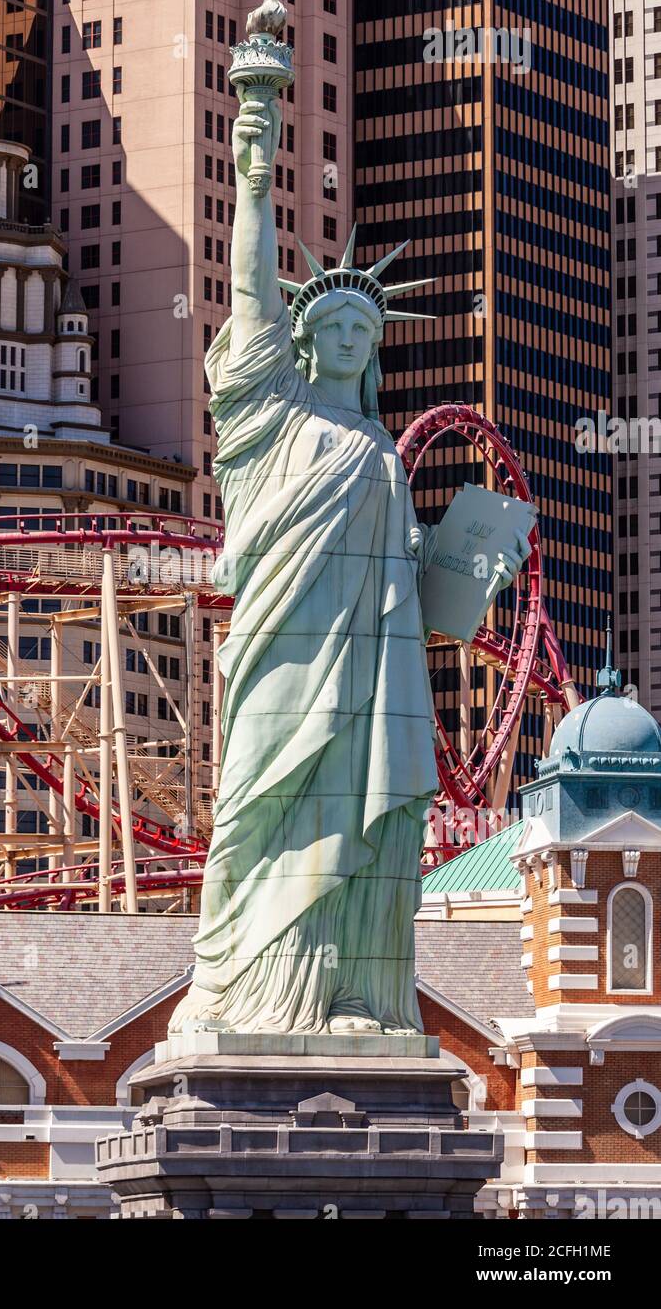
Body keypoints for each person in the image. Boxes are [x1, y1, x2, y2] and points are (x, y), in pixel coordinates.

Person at [169, 92, 528, 1035]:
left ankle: (356, 998)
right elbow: (250, 289)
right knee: (258, 813)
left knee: (375, 833)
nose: (348, 336)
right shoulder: (270, 417)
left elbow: (405, 566)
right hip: (285, 657)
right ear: (301, 339)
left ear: (373, 355)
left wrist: (455, 565)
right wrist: (255, 169)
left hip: (375, 675)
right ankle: (246, 995)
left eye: (364, 333)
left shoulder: (376, 447)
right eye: (332, 323)